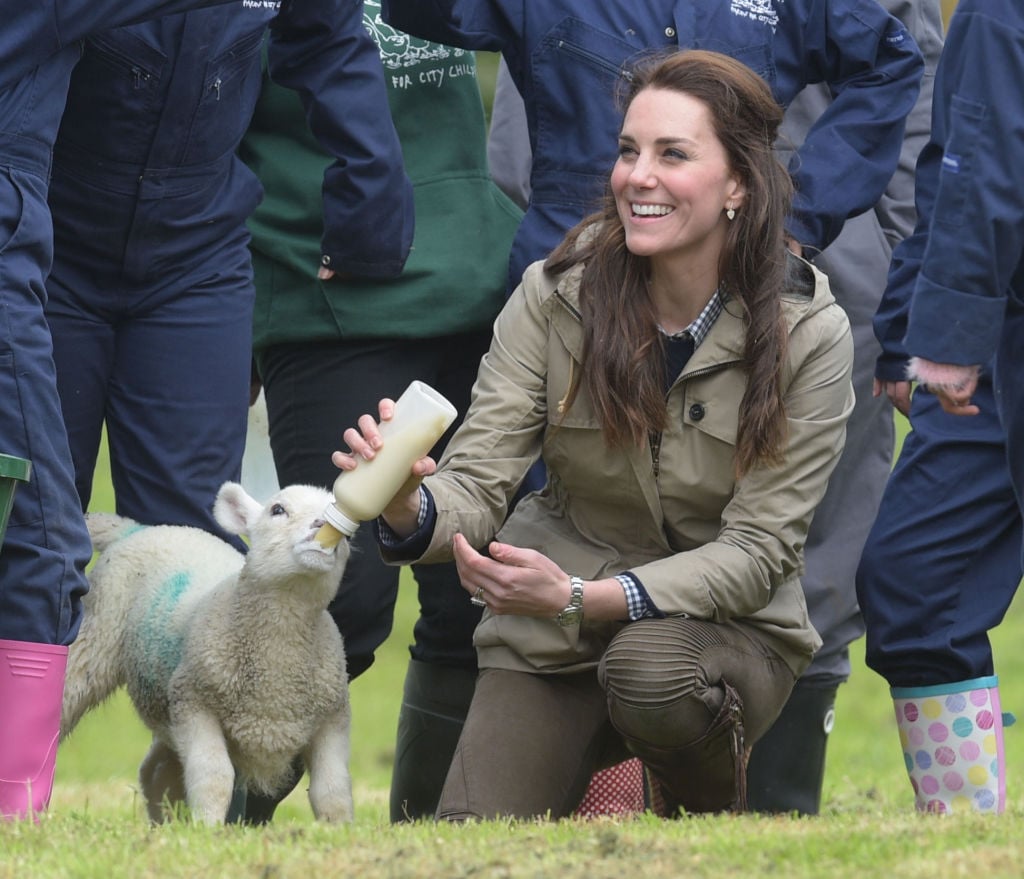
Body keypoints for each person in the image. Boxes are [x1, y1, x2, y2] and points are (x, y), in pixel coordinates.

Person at [333, 49, 856, 819]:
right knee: (470, 842)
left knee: (652, 670)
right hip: (553, 631)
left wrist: (585, 593)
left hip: (716, 638)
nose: (637, 176)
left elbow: (757, 554)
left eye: (673, 154)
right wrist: (410, 503)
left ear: (738, 182)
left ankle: (694, 826)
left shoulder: (809, 331)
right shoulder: (553, 297)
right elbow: (478, 482)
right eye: (628, 150)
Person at [482, 0, 941, 815]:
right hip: (611, 259)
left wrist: (880, 259)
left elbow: (913, 82)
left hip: (816, 265)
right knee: (582, 515)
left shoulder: (817, 319)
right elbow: (538, 85)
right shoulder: (559, 291)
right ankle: (606, 793)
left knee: (814, 562)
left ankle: (758, 808)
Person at [237, 3, 521, 821]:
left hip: (478, 282)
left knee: (480, 594)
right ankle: (220, 826)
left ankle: (429, 834)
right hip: (334, 301)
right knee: (337, 595)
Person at [0, 0, 252, 824]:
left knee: (45, 536)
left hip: (122, 249)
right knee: (38, 536)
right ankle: (13, 816)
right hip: (31, 254)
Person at [43, 0, 413, 561]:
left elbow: (328, 39)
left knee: (190, 543)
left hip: (196, 253)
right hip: (44, 245)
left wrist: (371, 211)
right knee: (29, 518)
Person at [856, 0, 1024, 815]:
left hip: (985, 341)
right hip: (993, 341)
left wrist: (946, 341)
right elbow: (955, 165)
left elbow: (993, 167)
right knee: (917, 581)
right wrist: (904, 333)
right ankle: (967, 831)